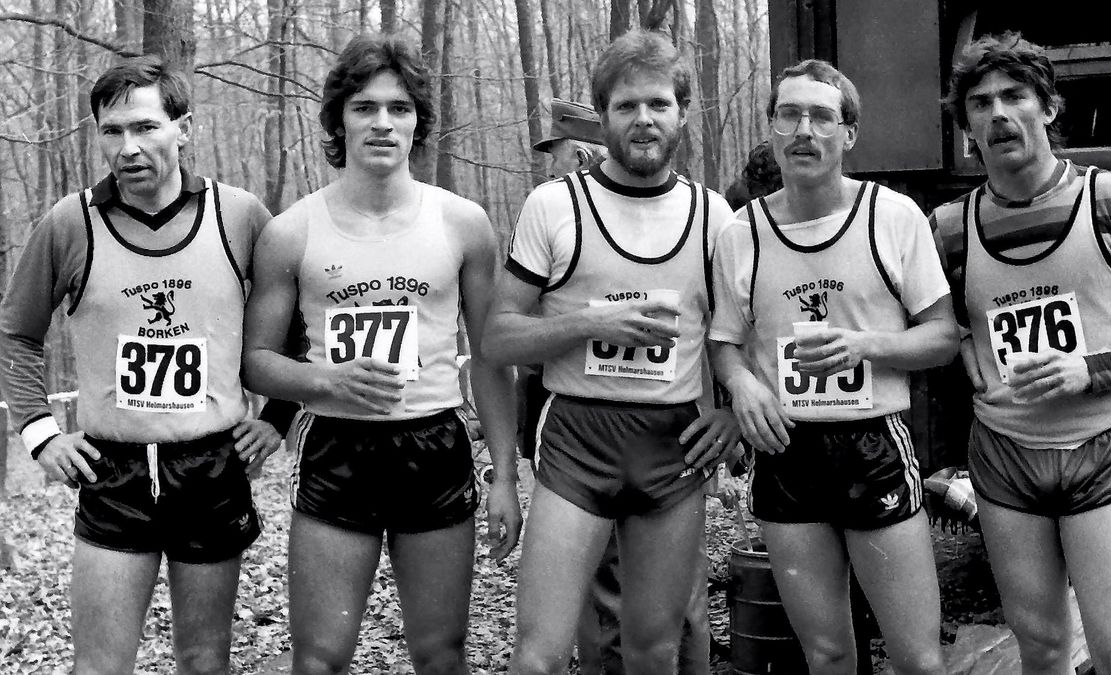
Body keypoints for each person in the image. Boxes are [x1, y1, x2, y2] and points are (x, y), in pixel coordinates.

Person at [240, 34, 521, 675]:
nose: (383, 123)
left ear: (418, 121)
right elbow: (255, 360)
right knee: (318, 659)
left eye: (399, 108)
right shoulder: (291, 231)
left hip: (434, 446)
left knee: (441, 655)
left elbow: (491, 358)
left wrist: (505, 476)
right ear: (339, 119)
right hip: (337, 449)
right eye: (365, 107)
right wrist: (325, 381)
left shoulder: (463, 223)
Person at [0, 56, 286, 674]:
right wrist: (40, 433)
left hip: (211, 467)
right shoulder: (70, 223)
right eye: (112, 130)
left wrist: (279, 417)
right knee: (100, 667)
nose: (128, 146)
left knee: (204, 662)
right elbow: (16, 333)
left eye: (146, 127)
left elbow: (294, 323)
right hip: (113, 472)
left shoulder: (240, 215)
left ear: (184, 128)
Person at [932, 32, 1111, 675]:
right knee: (1044, 651)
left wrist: (1089, 369)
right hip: (1005, 459)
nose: (998, 114)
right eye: (980, 103)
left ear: (1048, 107)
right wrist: (963, 346)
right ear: (965, 125)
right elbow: (937, 325)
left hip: (1101, 451)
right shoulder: (948, 228)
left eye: (1015, 96)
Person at [483, 29, 739, 675]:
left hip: (672, 445)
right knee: (539, 655)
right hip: (578, 439)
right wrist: (591, 323)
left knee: (655, 651)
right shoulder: (554, 206)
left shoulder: (713, 216)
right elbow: (497, 336)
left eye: (658, 103)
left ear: (683, 113)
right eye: (626, 105)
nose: (643, 119)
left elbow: (742, 337)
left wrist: (733, 411)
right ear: (603, 116)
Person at [709, 59, 955, 675]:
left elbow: (943, 336)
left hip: (873, 446)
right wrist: (739, 384)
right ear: (771, 128)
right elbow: (724, 342)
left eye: (822, 117)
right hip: (786, 452)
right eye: (789, 115)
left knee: (918, 659)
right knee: (826, 655)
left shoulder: (892, 216)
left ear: (848, 134)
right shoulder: (740, 234)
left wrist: (866, 346)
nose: (804, 131)